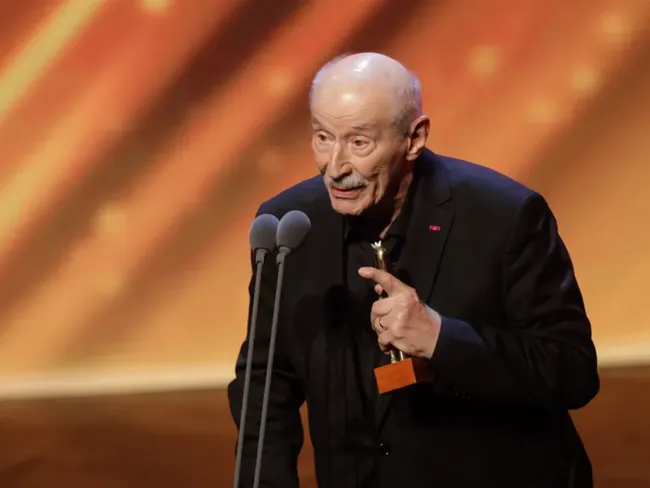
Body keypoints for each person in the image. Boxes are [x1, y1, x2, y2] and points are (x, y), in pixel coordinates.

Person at [228, 52, 599, 488]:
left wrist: (441, 338)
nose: (335, 166)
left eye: (359, 143)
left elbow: (572, 372)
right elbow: (266, 381)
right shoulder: (290, 226)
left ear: (414, 137)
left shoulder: (504, 217)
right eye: (323, 137)